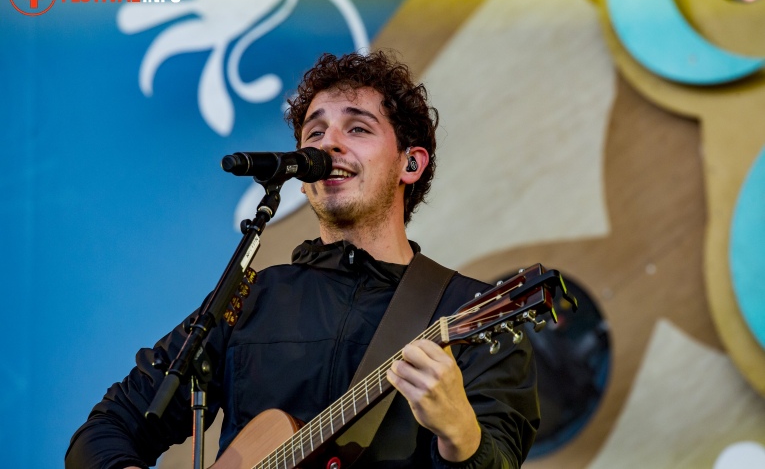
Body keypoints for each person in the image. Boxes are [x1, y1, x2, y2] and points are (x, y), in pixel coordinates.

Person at [66, 51, 540, 469]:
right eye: (315, 131)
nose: (327, 144)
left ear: (409, 164)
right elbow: (105, 432)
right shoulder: (250, 299)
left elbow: (498, 457)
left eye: (357, 128)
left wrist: (461, 435)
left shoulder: (471, 313)